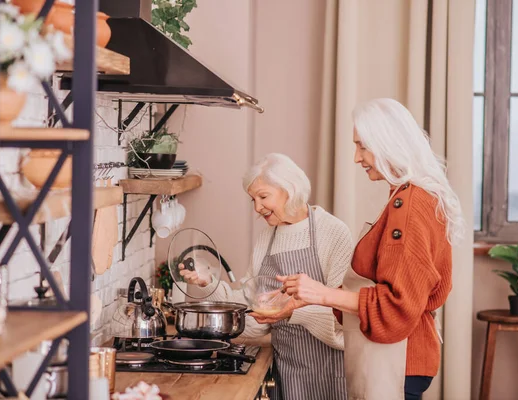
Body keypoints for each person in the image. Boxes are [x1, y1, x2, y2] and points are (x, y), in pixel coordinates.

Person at [279, 98, 465, 400]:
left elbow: (396, 306)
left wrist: (321, 293)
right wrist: (306, 299)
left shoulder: (411, 204)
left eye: (362, 146)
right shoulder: (408, 197)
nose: (356, 158)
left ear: (388, 143)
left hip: (396, 359)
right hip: (400, 358)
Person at [179, 153, 353, 400]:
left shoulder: (333, 233)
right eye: (252, 199)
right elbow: (252, 307)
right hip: (286, 368)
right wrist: (209, 284)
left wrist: (292, 311)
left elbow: (343, 317)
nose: (257, 208)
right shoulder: (266, 238)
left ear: (289, 190)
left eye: (263, 197)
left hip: (329, 369)